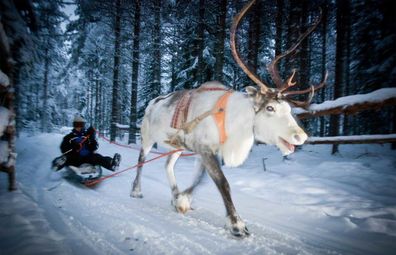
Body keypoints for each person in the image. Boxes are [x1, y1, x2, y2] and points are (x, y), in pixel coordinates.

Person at [53, 115, 121, 171]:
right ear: (74, 125)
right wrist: (74, 147)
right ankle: (57, 164)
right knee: (67, 157)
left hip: (87, 157)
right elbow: (63, 149)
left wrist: (92, 137)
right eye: (77, 124)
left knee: (97, 157)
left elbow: (94, 147)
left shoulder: (87, 135)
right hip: (75, 158)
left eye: (80, 124)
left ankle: (112, 164)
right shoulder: (69, 137)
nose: (79, 127)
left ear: (83, 125)